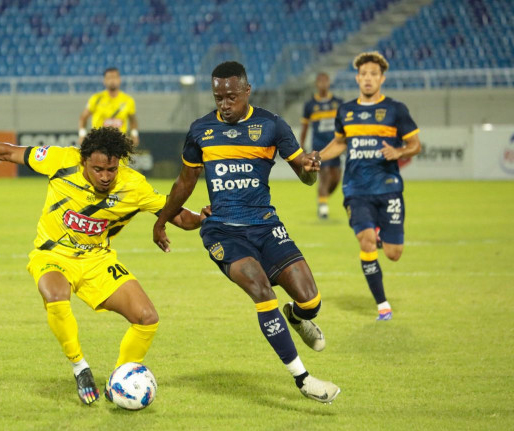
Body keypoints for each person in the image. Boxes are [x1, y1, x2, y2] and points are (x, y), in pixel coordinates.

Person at [0, 127, 204, 405]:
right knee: (56, 295)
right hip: (52, 255)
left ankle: (118, 379)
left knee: (147, 318)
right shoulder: (60, 160)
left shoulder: (134, 186)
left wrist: (203, 218)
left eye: (111, 169)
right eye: (98, 169)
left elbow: (179, 217)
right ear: (83, 160)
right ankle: (80, 367)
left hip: (97, 261)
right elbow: (6, 151)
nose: (106, 177)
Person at [153, 61, 340, 404]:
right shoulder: (201, 131)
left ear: (247, 91)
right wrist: (162, 219)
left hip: (266, 226)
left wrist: (312, 170)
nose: (224, 103)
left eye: (231, 96)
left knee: (311, 300)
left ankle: (297, 317)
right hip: (223, 230)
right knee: (261, 291)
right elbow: (184, 183)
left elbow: (305, 174)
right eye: (218, 97)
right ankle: (303, 380)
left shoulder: (271, 125)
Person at [318, 52, 421, 321]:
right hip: (356, 189)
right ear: (357, 78)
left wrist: (399, 152)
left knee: (393, 254)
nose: (368, 78)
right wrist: (316, 156)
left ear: (382, 78)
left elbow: (415, 145)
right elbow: (340, 143)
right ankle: (383, 306)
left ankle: (377, 230)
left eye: (373, 74)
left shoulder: (396, 110)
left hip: (388, 188)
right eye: (363, 74)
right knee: (365, 242)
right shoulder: (346, 111)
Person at [300, 72, 343, 219]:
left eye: (326, 81)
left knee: (336, 178)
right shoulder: (310, 105)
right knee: (324, 176)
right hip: (318, 147)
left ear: (329, 83)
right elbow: (305, 127)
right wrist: (301, 144)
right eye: (320, 81)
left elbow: (345, 125)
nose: (323, 84)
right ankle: (323, 209)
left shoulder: (338, 102)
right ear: (316, 84)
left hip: (335, 146)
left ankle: (322, 198)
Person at [78, 68, 139, 147]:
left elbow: (133, 120)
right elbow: (83, 117)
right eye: (109, 78)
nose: (112, 80)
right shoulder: (96, 98)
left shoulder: (128, 100)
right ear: (104, 81)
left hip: (119, 143)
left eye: (115, 77)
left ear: (119, 79)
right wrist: (82, 134)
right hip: (98, 142)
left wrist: (134, 134)